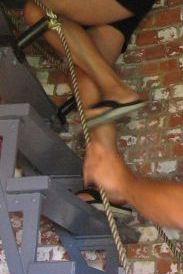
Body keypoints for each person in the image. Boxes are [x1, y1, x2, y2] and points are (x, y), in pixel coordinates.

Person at [25, 1, 183, 230]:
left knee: (36, 8)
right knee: (85, 72)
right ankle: (106, 186)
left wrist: (128, 184)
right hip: (106, 15)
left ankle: (115, 89)